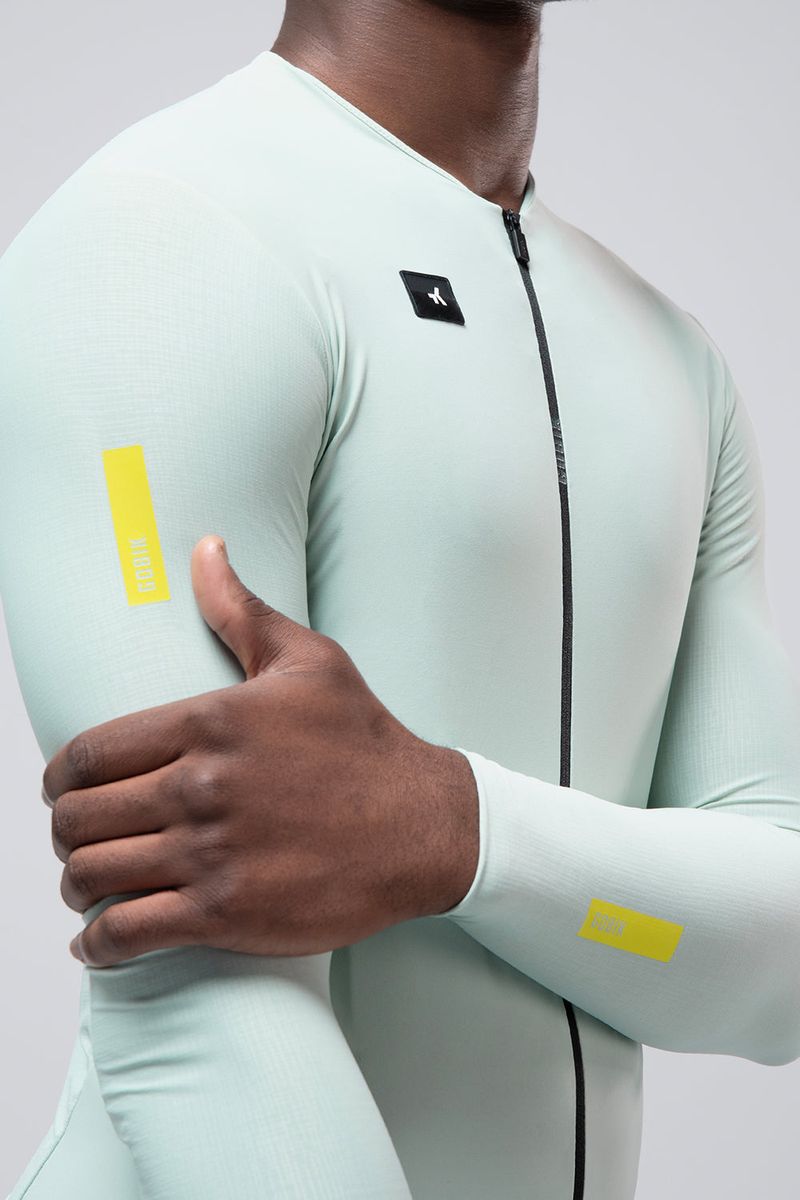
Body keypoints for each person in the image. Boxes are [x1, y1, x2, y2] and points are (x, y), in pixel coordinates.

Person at [2, 1, 800, 1197]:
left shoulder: (672, 359)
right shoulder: (157, 235)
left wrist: (459, 833)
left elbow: (777, 968)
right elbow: (198, 1014)